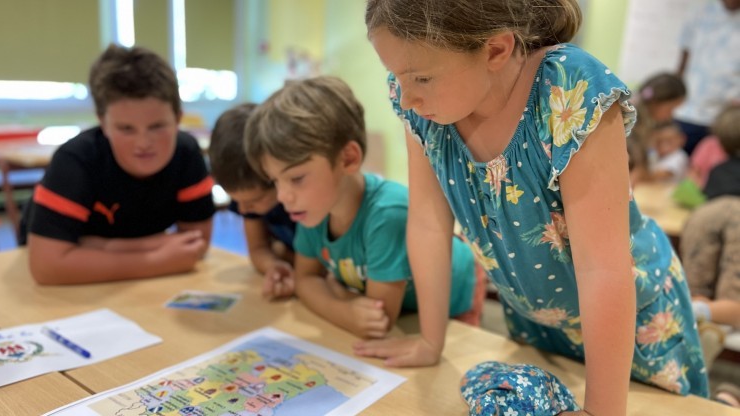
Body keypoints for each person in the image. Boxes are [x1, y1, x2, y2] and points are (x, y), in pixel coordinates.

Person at [357, 0, 709, 414]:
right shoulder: (423, 109)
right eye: (396, 75)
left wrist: (601, 410)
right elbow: (429, 224)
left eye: (421, 77)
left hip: (631, 326)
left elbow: (604, 267)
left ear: (495, 50)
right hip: (536, 325)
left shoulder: (568, 87)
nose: (407, 96)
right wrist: (431, 341)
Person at [244, 75, 485, 339]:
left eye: (296, 178)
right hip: (402, 306)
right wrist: (342, 305)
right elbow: (305, 280)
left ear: (348, 158)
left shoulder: (386, 214)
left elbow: (378, 320)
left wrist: (336, 294)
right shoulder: (313, 211)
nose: (283, 196)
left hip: (457, 297)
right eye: (275, 181)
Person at [25, 44, 215, 285]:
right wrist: (157, 258)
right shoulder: (75, 161)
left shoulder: (186, 152)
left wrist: (98, 246)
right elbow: (46, 267)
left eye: (157, 126)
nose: (144, 143)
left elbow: (195, 243)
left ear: (178, 118)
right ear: (102, 123)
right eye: (126, 129)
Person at [208, 103, 297, 299]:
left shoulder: (302, 203)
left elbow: (322, 264)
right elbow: (257, 249)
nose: (243, 209)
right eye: (235, 199)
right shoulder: (249, 200)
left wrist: (284, 254)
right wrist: (274, 265)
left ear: (277, 178)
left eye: (255, 200)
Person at [683, 104, 740, 329]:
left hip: (706, 214)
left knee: (695, 287)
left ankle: (694, 310)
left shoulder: (719, 169)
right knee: (734, 297)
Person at [674, 0, 740, 155]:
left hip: (725, 119)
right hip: (689, 111)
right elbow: (684, 55)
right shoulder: (700, 13)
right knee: (678, 164)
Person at [629, 73, 687, 182]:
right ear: (657, 102)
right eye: (671, 108)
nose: (670, 116)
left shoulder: (645, 124)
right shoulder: (633, 123)